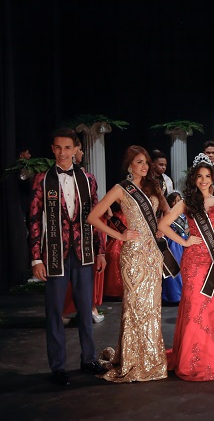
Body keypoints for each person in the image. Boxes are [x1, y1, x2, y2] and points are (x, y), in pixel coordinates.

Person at [29, 127, 107, 386]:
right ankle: (58, 366)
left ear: (76, 149)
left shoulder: (89, 179)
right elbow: (33, 221)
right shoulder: (42, 179)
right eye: (58, 147)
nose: (63, 153)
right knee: (54, 312)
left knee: (86, 309)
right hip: (53, 254)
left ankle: (88, 358)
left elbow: (97, 218)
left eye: (67, 147)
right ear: (53, 149)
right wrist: (36, 258)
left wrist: (101, 250)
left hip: (84, 252)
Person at [87, 145, 170, 382]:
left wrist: (161, 229)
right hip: (133, 255)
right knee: (134, 308)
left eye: (146, 163)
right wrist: (119, 235)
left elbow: (167, 211)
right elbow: (93, 217)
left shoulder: (155, 186)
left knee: (152, 309)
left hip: (153, 255)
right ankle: (132, 359)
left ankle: (151, 359)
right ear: (129, 165)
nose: (144, 167)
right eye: (139, 163)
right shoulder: (120, 189)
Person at [158, 154, 214, 381]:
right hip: (193, 261)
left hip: (212, 260)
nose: (204, 180)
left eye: (207, 176)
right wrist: (184, 241)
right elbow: (162, 224)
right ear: (194, 178)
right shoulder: (186, 202)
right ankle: (192, 360)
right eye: (200, 176)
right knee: (195, 308)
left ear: (213, 178)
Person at [62, 139, 105, 323]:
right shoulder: (48, 179)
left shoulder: (88, 180)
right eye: (80, 150)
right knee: (65, 285)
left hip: (84, 243)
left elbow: (94, 211)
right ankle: (64, 312)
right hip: (61, 244)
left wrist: (100, 250)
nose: (81, 154)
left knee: (85, 283)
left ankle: (89, 309)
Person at [161, 192, 186, 305]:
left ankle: (181, 295)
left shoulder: (184, 214)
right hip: (171, 244)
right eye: (174, 201)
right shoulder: (168, 213)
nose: (176, 203)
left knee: (182, 269)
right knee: (171, 268)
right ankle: (171, 296)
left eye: (178, 200)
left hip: (181, 244)